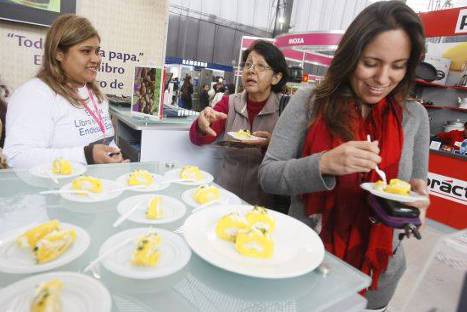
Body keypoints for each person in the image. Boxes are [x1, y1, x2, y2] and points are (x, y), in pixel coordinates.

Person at [258, 1, 429, 310]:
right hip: (309, 259)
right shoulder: (310, 102)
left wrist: (415, 207)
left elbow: (416, 186)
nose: (383, 78)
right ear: (350, 56)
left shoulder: (414, 116)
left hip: (379, 270)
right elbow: (268, 175)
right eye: (371, 62)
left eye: (398, 65)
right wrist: (323, 163)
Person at [3, 14, 124, 168]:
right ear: (58, 54)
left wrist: (115, 158)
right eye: (86, 51)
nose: (96, 59)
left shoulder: (95, 94)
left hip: (95, 186)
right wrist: (86, 155)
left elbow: (105, 140)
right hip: (53, 189)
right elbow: (16, 157)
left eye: (97, 51)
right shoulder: (34, 94)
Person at [189, 40, 289, 208]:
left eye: (260, 66)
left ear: (276, 77)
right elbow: (198, 139)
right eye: (248, 64)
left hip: (264, 206)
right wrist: (201, 125)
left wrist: (272, 145)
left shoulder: (285, 109)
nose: (251, 70)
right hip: (226, 200)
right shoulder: (229, 103)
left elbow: (293, 159)